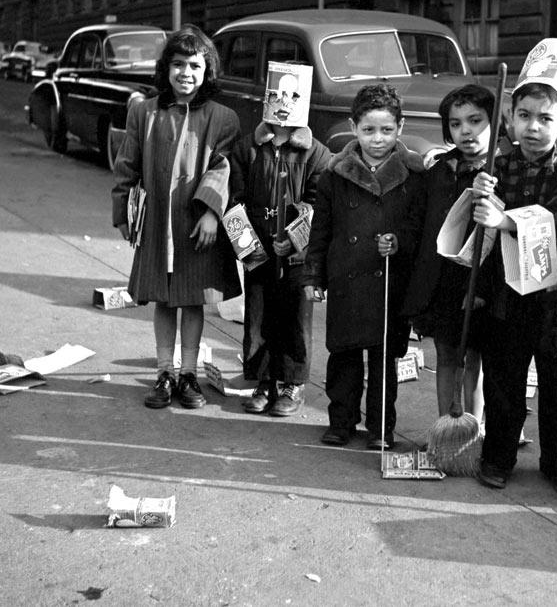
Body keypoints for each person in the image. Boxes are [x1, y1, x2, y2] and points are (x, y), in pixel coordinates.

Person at [471, 38, 557, 492]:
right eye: (524, 116)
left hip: (554, 293)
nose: (533, 127)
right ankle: (498, 456)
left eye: (545, 118)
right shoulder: (496, 164)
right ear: (509, 118)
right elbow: (479, 223)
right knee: (504, 377)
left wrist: (505, 219)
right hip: (504, 290)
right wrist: (480, 196)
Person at [112, 24, 241, 410]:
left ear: (207, 72)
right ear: (166, 68)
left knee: (193, 299)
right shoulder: (144, 112)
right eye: (178, 64)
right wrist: (123, 213)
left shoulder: (223, 118)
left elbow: (223, 168)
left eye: (195, 66)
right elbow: (126, 165)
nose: (186, 73)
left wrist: (211, 214)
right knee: (164, 299)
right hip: (158, 222)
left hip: (198, 225)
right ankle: (164, 373)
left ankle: (189, 375)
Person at [302, 83, 424, 450]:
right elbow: (320, 231)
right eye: (368, 130)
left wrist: (399, 241)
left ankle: (381, 428)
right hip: (346, 277)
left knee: (385, 357)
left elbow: (419, 225)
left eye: (387, 130)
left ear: (400, 128)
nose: (377, 139)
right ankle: (341, 421)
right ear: (354, 127)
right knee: (344, 356)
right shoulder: (334, 175)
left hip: (390, 280)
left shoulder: (414, 176)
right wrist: (314, 275)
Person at [229, 63, 331, 417]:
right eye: (278, 94)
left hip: (297, 257)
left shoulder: (315, 153)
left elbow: (319, 202)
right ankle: (263, 380)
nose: (284, 102)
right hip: (258, 252)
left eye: (294, 95)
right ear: (265, 99)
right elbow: (234, 200)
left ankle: (292, 383)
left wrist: (296, 238)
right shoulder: (248, 149)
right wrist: (248, 246)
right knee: (258, 316)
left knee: (295, 319)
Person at [402, 84, 495, 423]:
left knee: (473, 358)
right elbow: (421, 223)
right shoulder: (440, 171)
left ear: (494, 121)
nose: (465, 131)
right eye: (456, 124)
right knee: (445, 354)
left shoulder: (500, 171)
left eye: (475, 121)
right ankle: (446, 425)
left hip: (479, 283)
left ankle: (473, 426)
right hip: (442, 281)